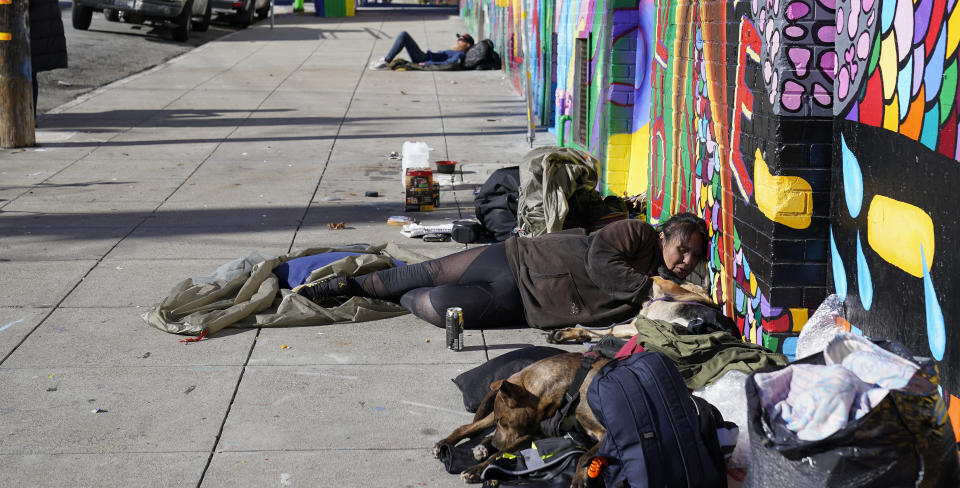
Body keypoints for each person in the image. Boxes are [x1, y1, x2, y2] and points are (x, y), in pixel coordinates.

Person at [293, 213, 708, 330]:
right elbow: (601, 261)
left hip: (528, 304)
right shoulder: (637, 234)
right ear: (664, 236)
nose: (684, 260)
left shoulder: (665, 293)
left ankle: (383, 298)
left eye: (693, 258)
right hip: (517, 258)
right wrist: (651, 286)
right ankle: (344, 285)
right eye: (681, 248)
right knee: (426, 272)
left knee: (435, 305)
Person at [25, 0, 68, 122]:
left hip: (32, 29)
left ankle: (28, 116)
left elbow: (25, 1)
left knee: (26, 73)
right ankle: (30, 114)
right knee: (30, 73)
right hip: (43, 28)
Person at [371, 32, 474, 69]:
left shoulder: (460, 54)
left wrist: (427, 63)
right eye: (458, 38)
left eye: (461, 40)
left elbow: (448, 63)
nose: (458, 40)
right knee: (404, 36)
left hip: (424, 58)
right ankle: (386, 60)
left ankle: (386, 61)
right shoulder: (457, 51)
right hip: (424, 56)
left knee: (404, 35)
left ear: (468, 45)